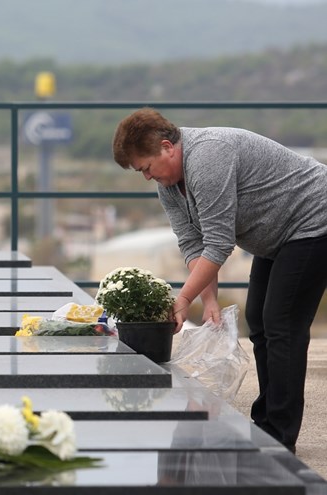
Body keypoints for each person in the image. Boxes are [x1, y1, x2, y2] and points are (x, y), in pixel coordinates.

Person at [111, 107, 327, 453]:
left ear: (167, 147)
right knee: (257, 320)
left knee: (282, 324)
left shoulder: (208, 156)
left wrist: (182, 301)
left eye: (147, 167)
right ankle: (267, 423)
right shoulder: (169, 184)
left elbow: (219, 242)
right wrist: (208, 302)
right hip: (276, 238)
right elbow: (194, 245)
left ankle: (279, 436)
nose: (147, 177)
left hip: (314, 221)